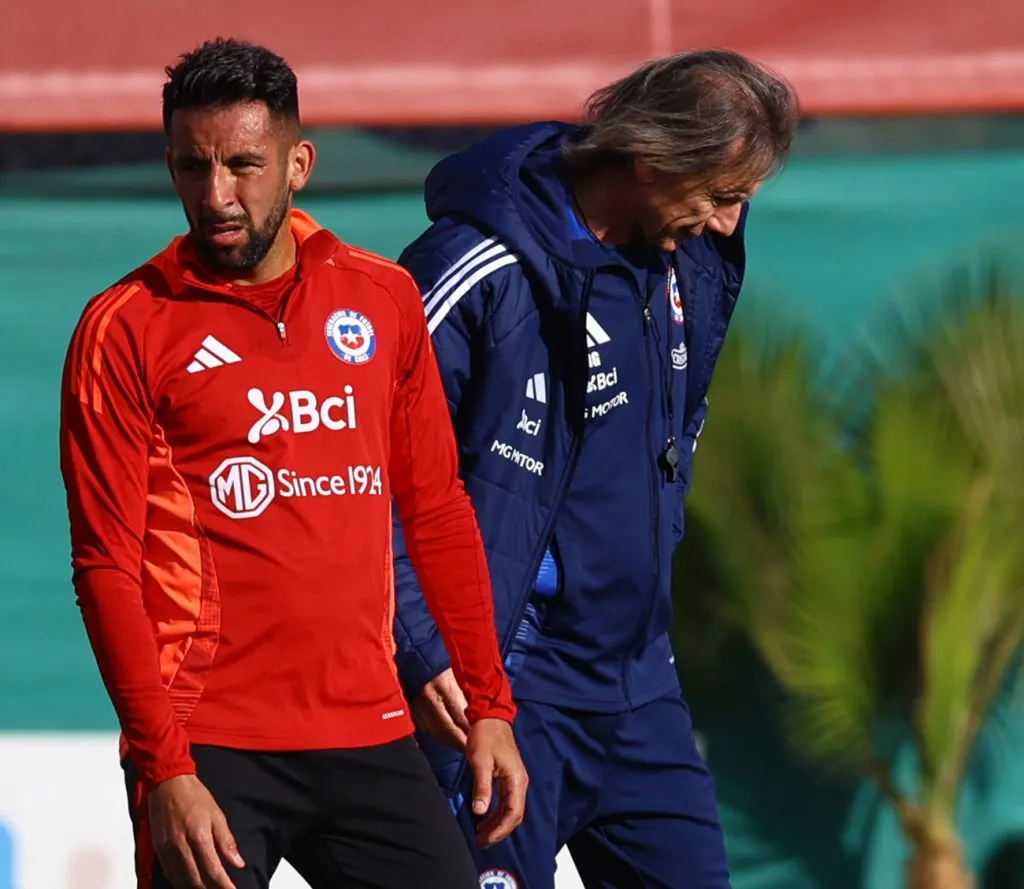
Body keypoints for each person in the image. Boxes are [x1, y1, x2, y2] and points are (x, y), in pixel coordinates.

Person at [58, 37, 527, 889]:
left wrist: (491, 706)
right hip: (210, 743)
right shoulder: (124, 328)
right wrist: (165, 767)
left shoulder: (381, 299)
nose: (218, 195)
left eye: (244, 164)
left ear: (298, 162)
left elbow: (436, 510)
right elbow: (105, 566)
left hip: (369, 727)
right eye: (193, 168)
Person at [392, 49, 799, 889]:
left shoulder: (690, 265)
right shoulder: (474, 268)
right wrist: (425, 647)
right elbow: (361, 477)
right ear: (651, 158)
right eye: (722, 195)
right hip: (507, 687)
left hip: (639, 685)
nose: (730, 223)